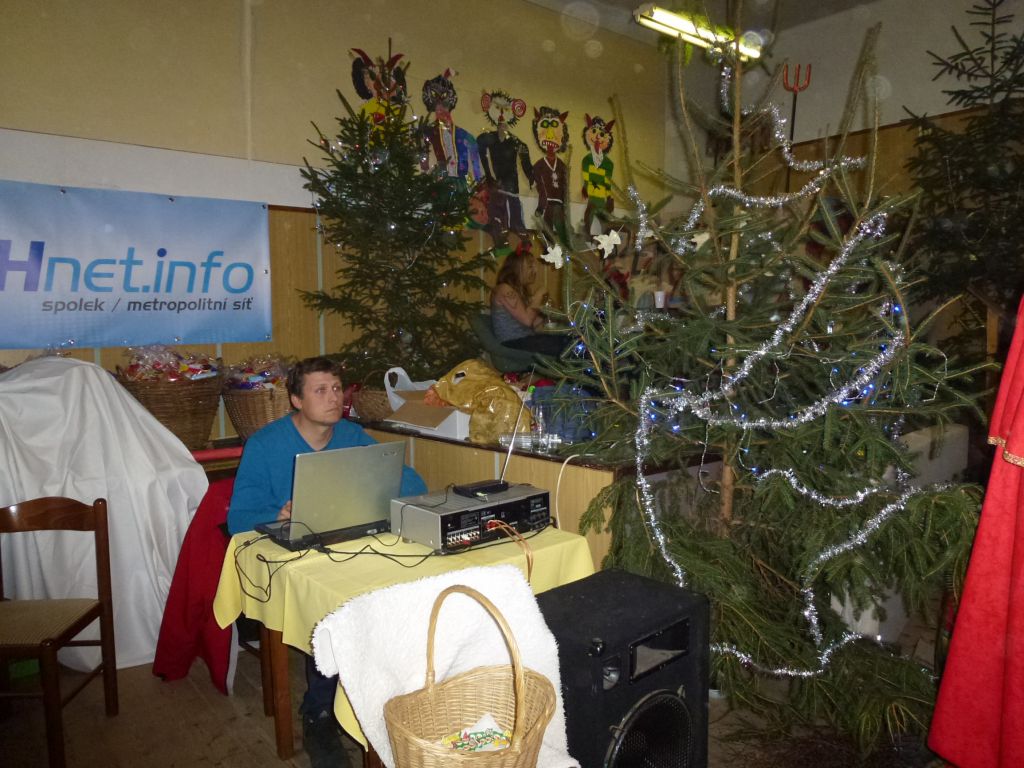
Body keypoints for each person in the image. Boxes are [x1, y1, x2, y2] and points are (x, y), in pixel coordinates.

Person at [227, 356, 426, 768]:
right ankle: (319, 712)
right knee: (332, 612)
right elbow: (238, 519)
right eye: (321, 390)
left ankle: (384, 698)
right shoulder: (264, 445)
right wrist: (276, 514)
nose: (334, 398)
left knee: (395, 592)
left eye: (337, 389)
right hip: (295, 562)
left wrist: (381, 481)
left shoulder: (353, 436)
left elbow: (412, 484)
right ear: (296, 400)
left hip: (348, 549)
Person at [490, 243, 570, 357]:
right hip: (513, 343)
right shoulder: (504, 289)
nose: (535, 271)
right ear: (517, 268)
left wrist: (548, 315)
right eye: (530, 266)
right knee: (566, 346)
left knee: (570, 339)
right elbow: (527, 320)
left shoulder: (520, 290)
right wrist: (539, 295)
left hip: (527, 339)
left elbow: (534, 324)